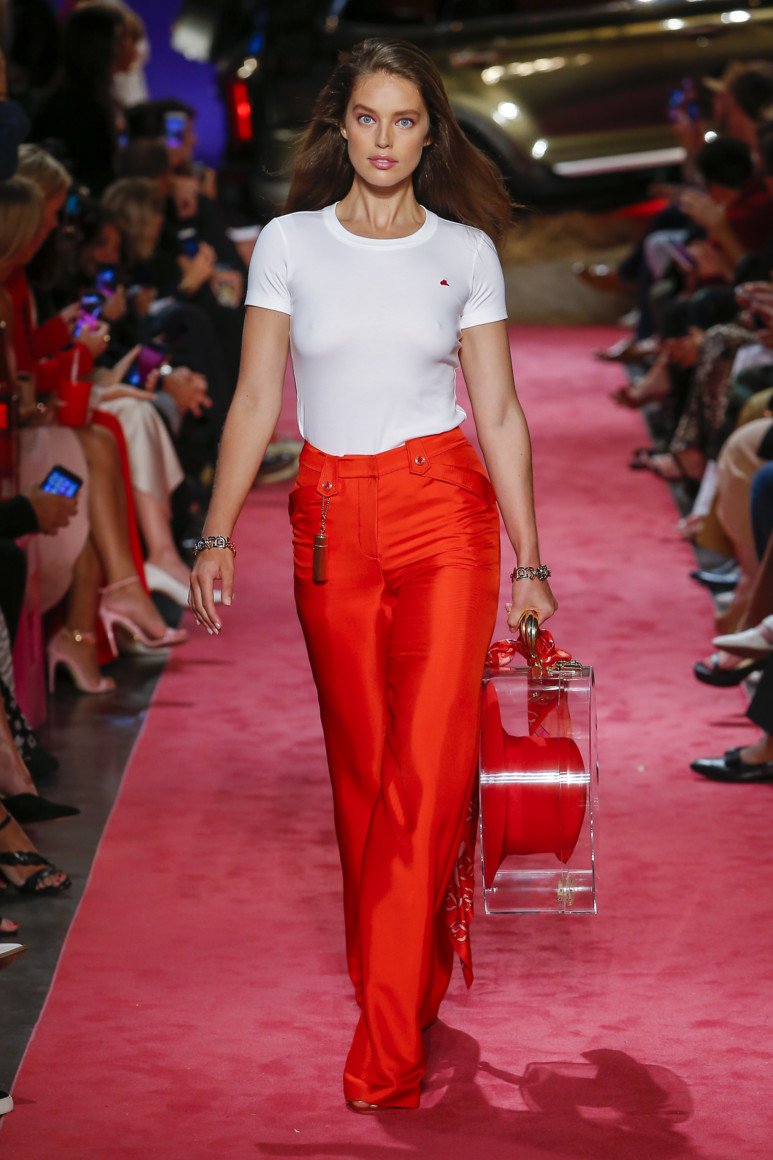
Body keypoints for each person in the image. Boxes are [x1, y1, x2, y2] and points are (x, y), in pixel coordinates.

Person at [189, 39, 557, 1112]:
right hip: (327, 519)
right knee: (362, 774)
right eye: (366, 118)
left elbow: (497, 411)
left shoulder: (465, 252)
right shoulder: (288, 243)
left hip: (444, 516)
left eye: (404, 120)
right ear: (338, 127)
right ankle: (405, 967)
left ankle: (385, 1041)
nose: (384, 139)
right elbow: (256, 398)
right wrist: (214, 535)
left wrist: (530, 562)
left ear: (430, 132)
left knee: (427, 772)